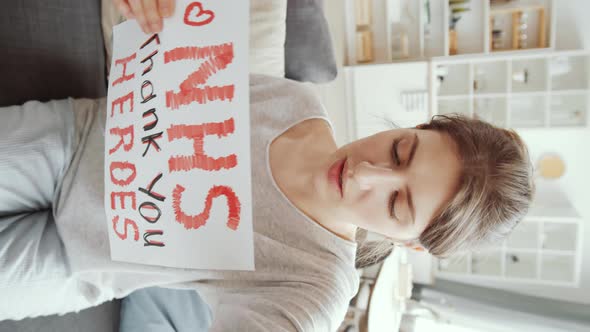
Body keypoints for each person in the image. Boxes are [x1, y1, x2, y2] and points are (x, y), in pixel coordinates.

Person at [0, 3, 534, 332]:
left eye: (397, 203)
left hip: (75, 263)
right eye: (399, 151)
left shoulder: (316, 284)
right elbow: (161, 76)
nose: (363, 174)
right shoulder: (297, 102)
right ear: (412, 128)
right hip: (71, 141)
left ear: (412, 243)